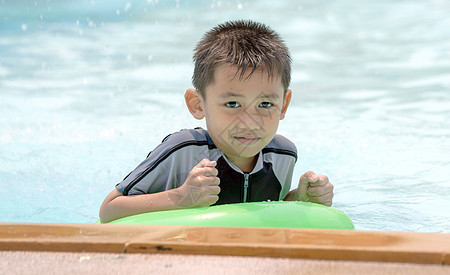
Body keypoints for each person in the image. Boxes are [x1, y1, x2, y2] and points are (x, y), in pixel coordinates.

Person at [99, 20, 333, 223]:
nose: (250, 122)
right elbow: (109, 209)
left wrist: (300, 200)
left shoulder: (282, 155)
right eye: (232, 104)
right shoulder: (183, 151)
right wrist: (181, 197)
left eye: (265, 104)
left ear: (284, 104)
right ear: (197, 104)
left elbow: (264, 208)